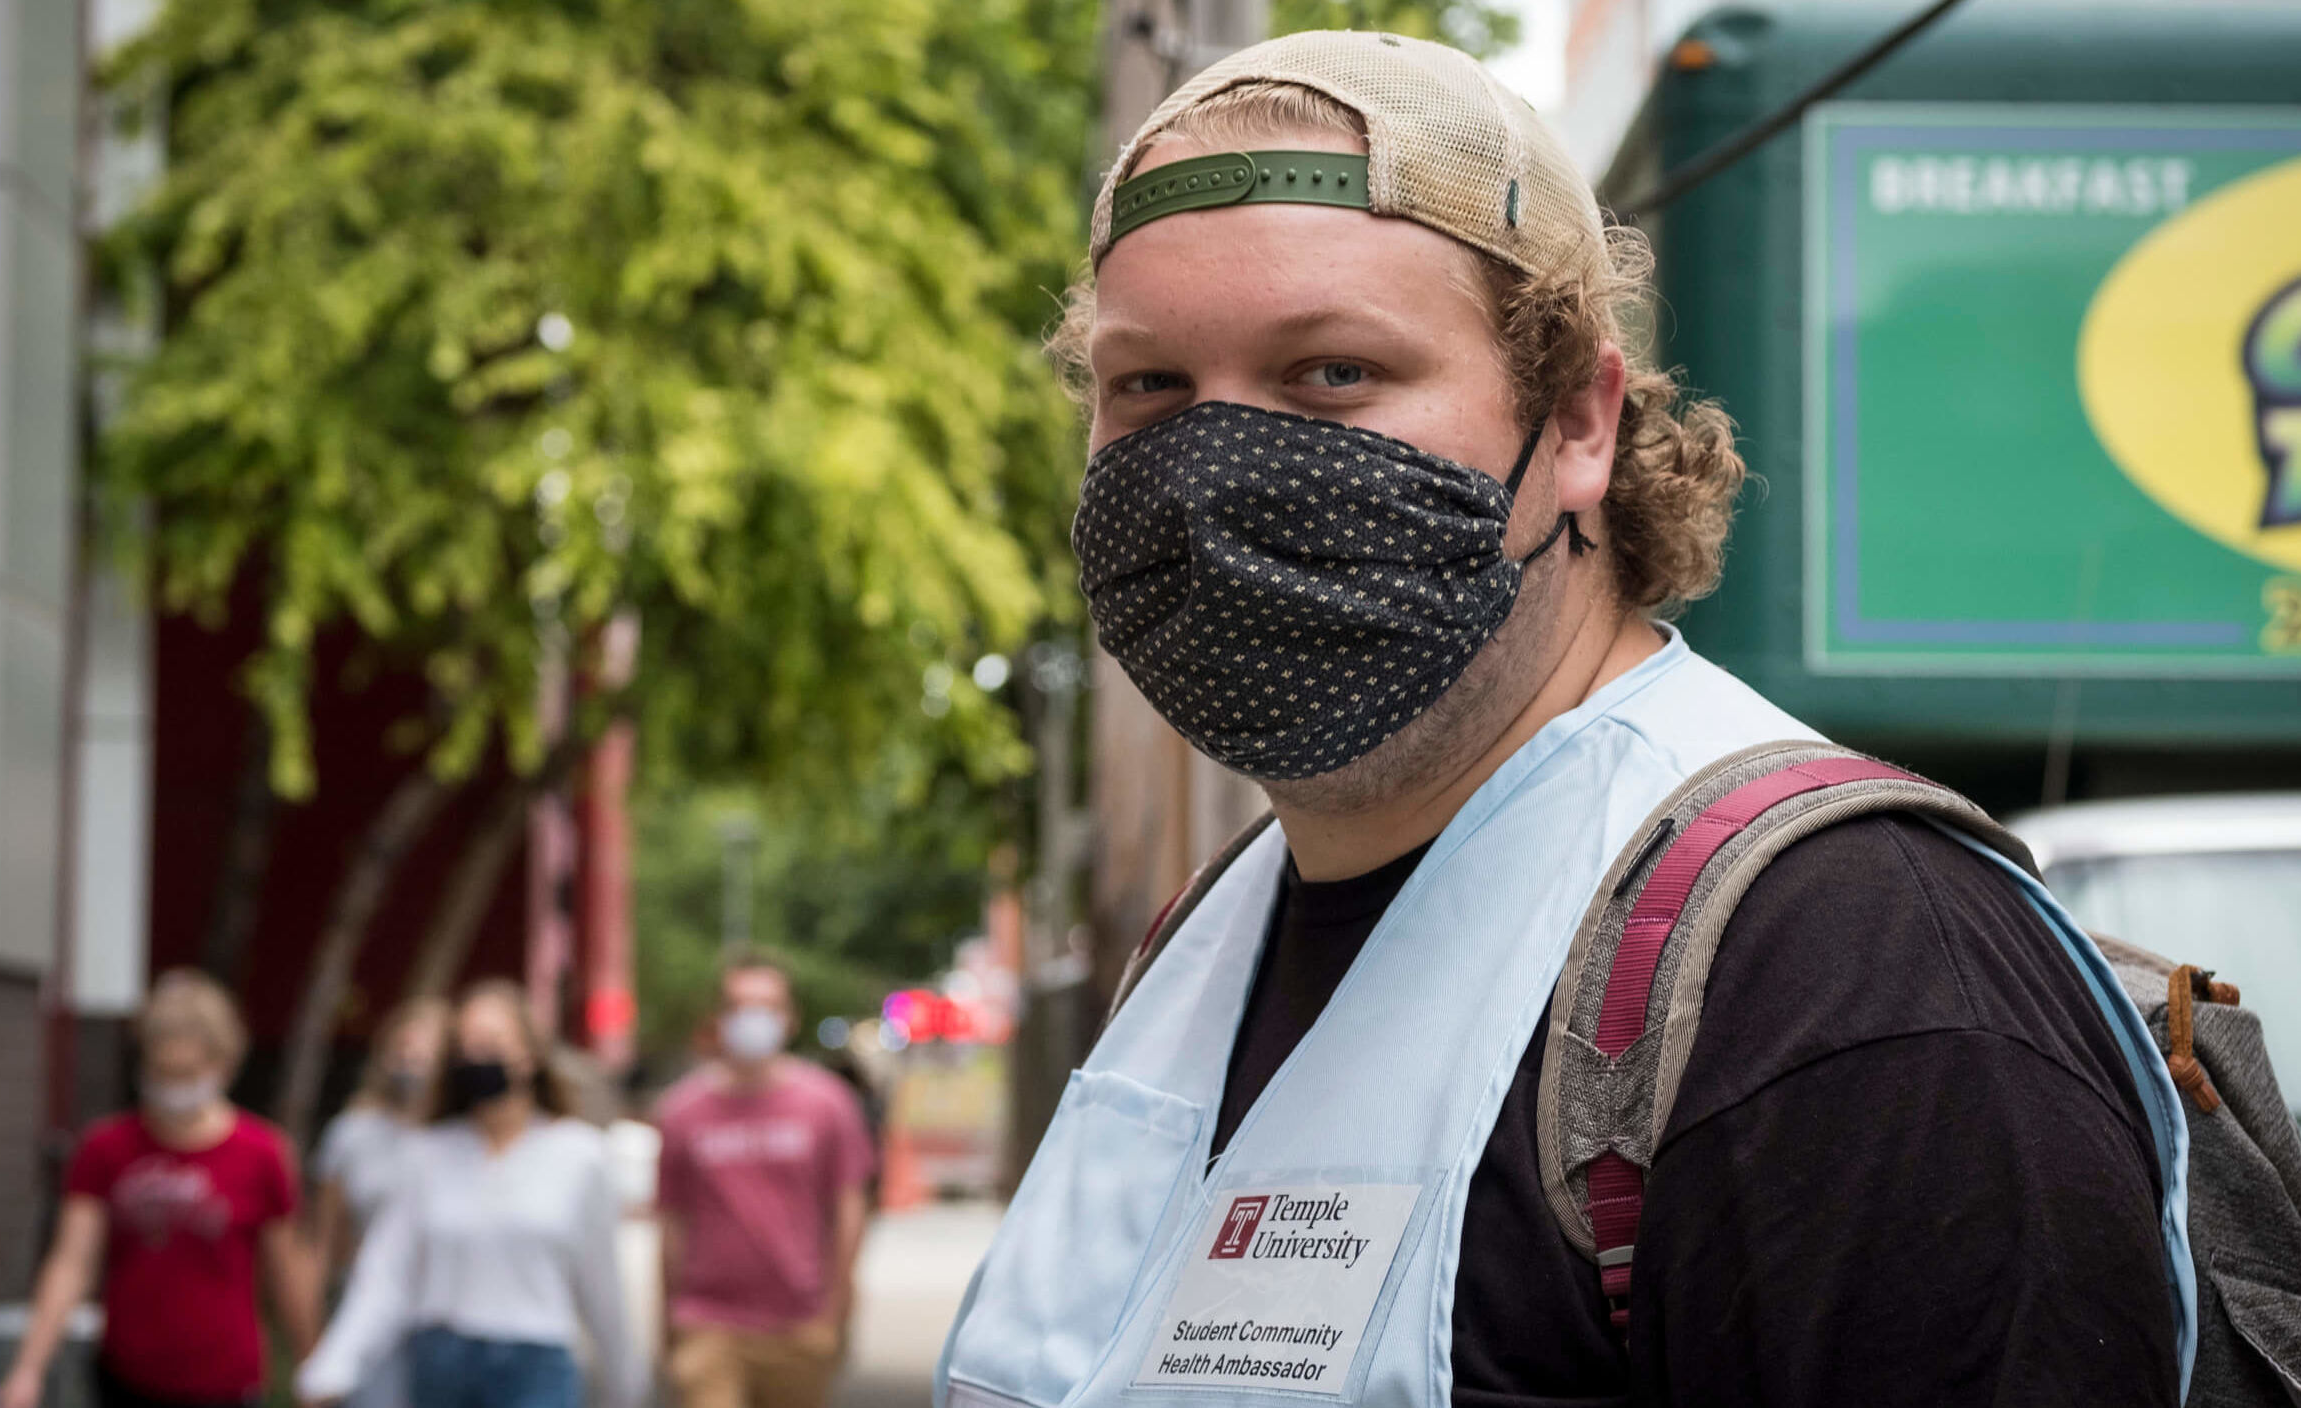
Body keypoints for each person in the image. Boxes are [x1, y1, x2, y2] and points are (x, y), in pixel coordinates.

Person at [936, 31, 2189, 1408]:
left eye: (1334, 373)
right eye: (1150, 388)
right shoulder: (1205, 941)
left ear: (1582, 424)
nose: (1213, 475)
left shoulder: (1851, 975)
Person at [297, 980, 643, 1408]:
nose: (477, 1058)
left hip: (536, 1366)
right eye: (466, 1047)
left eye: (492, 1043)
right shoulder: (427, 1154)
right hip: (442, 1362)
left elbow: (602, 1285)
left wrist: (626, 1387)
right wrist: (333, 1365)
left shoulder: (578, 1156)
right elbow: (385, 1275)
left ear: (530, 1054)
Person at [0, 969, 320, 1408]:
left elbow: (287, 1271)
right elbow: (71, 1262)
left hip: (225, 1381)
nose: (173, 1088)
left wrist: (313, 1364)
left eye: (186, 1073)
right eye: (161, 1071)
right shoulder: (106, 1147)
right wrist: (27, 1369)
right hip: (127, 1378)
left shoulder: (261, 1152)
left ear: (222, 1066)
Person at [653, 951, 874, 1408]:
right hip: (708, 1322)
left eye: (767, 1006)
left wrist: (837, 1310)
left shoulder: (827, 1105)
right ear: (720, 1018)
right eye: (740, 1005)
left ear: (789, 1017)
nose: (753, 1019)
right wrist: (667, 1320)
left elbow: (850, 1210)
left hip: (799, 1325)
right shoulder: (681, 1112)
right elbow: (671, 1224)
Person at [306, 997, 450, 1408]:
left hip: (443, 1312)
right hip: (369, 1306)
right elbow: (324, 1241)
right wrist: (317, 1338)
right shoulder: (352, 1134)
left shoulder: (463, 1141)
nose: (412, 1061)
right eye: (403, 1049)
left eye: (426, 1051)